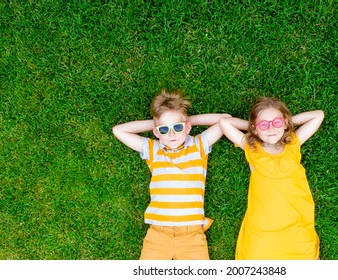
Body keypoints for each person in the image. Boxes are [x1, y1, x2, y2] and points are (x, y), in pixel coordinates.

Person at [112, 89, 230, 260]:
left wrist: (186, 119)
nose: (172, 133)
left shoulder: (199, 146)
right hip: (158, 234)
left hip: (192, 235)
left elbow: (224, 120)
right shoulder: (153, 149)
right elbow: (119, 131)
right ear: (156, 132)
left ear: (187, 127)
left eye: (177, 127)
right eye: (164, 130)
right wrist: (158, 122)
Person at [219, 96, 324, 260]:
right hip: (263, 229)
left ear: (285, 124)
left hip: (295, 224)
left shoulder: (293, 144)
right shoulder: (252, 149)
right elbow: (225, 123)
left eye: (276, 123)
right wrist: (254, 128)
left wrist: (286, 123)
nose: (270, 129)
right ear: (254, 128)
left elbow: (318, 115)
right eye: (264, 124)